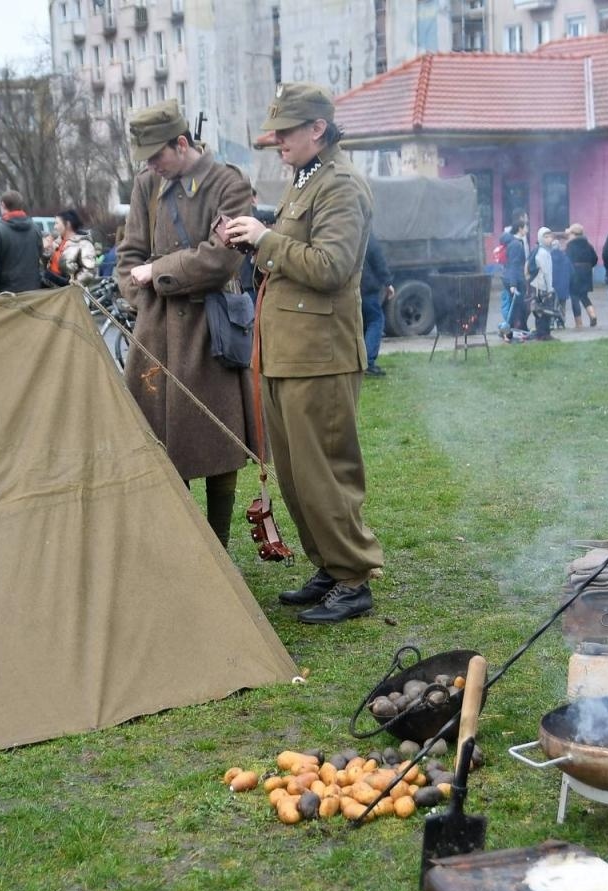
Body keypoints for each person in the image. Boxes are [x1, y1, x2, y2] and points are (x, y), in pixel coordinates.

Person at [223, 82, 385, 624]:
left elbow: (330, 267)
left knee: (325, 472)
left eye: (286, 132)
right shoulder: (305, 181)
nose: (278, 142)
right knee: (295, 474)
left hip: (321, 354)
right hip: (288, 353)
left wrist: (266, 241)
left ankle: (353, 576)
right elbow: (295, 258)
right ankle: (329, 565)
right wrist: (256, 241)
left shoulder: (341, 186)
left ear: (318, 128)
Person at [116, 99, 259, 548]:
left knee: (219, 445)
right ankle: (179, 548)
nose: (153, 166)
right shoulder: (146, 186)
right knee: (159, 446)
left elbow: (221, 260)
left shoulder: (228, 183)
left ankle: (218, 551)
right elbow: (128, 257)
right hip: (157, 334)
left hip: (211, 329)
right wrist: (144, 299)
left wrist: (157, 275)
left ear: (182, 143)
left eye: (158, 155)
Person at [0, 189, 46, 296]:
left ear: (3, 205)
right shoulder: (35, 229)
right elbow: (40, 259)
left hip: (6, 294)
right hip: (33, 291)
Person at [360, 233, 393, 376]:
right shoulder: (367, 235)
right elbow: (378, 259)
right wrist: (388, 283)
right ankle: (368, 362)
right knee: (376, 320)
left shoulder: (346, 231)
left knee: (359, 325)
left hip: (352, 289)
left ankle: (359, 362)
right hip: (367, 288)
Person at [563, 223, 598, 328]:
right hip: (586, 273)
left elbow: (567, 261)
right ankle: (592, 315)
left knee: (574, 298)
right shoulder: (588, 245)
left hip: (574, 273)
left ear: (573, 234)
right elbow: (595, 259)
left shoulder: (570, 246)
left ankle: (579, 323)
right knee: (584, 296)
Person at [52, 209, 98, 285]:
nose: (54, 227)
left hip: (69, 292)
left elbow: (89, 272)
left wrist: (75, 283)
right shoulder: (57, 242)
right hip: (52, 289)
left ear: (67, 224)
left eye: (57, 223)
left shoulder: (84, 244)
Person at [500, 221, 529, 342]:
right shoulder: (516, 245)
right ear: (520, 229)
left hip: (512, 279)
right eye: (526, 227)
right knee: (516, 308)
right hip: (515, 280)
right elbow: (514, 265)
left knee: (520, 308)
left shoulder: (513, 243)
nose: (527, 230)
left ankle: (521, 330)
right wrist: (513, 284)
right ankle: (506, 333)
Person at [528, 227, 557, 340]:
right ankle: (543, 334)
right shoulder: (543, 253)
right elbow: (546, 272)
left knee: (540, 310)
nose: (549, 239)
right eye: (546, 236)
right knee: (543, 310)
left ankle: (542, 333)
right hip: (542, 286)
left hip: (538, 285)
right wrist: (550, 289)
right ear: (540, 238)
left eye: (550, 236)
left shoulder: (540, 251)